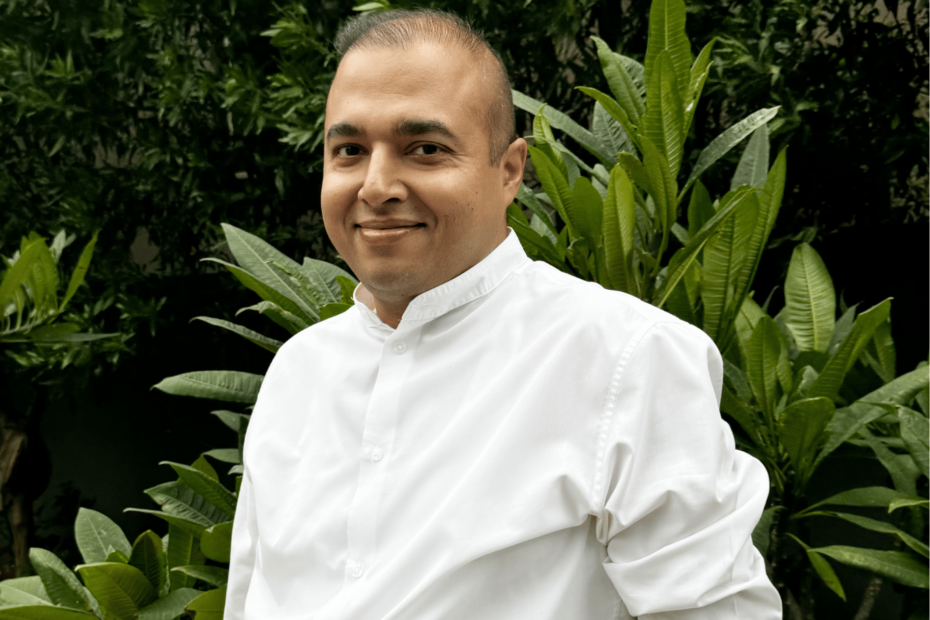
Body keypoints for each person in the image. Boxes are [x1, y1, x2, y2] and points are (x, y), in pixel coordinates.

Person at [225, 9, 783, 619]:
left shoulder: (627, 360)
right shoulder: (298, 372)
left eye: (425, 149)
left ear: (510, 171)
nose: (376, 186)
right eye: (350, 150)